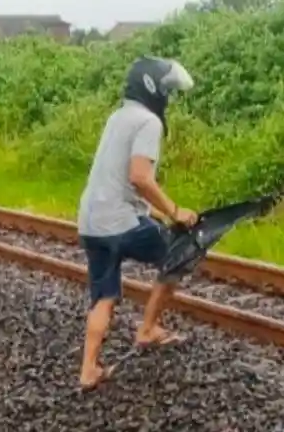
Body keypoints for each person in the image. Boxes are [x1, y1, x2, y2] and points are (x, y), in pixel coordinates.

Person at [76, 56, 198, 391]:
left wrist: (152, 213)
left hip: (90, 221)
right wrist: (175, 211)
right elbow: (140, 177)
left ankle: (88, 369)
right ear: (153, 88)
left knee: (104, 296)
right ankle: (148, 329)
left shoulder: (117, 117)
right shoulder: (148, 122)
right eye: (166, 91)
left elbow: (121, 182)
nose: (168, 98)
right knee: (180, 252)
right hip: (118, 222)